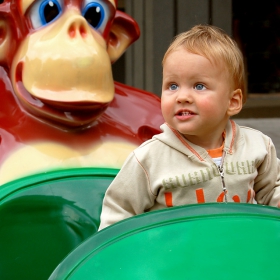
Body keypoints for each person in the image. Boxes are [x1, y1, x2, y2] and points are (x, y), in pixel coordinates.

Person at [98, 25, 280, 230]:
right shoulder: (149, 159)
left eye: (199, 86)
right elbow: (118, 214)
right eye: (172, 86)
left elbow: (272, 189)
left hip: (236, 253)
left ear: (233, 101)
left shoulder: (257, 147)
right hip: (174, 258)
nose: (182, 96)